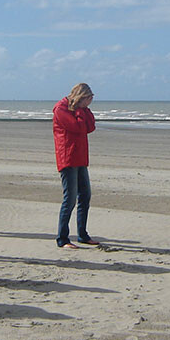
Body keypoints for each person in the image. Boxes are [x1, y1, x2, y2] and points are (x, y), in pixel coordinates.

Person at [53, 83, 99, 249]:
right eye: (87, 98)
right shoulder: (61, 108)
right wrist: (80, 110)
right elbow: (78, 127)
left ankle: (83, 234)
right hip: (68, 157)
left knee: (85, 195)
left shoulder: (82, 109)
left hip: (80, 157)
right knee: (70, 198)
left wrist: (84, 109)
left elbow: (90, 127)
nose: (89, 102)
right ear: (81, 97)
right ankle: (62, 238)